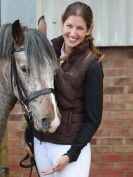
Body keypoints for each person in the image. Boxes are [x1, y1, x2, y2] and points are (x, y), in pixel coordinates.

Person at [33, 2, 104, 177]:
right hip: (41, 144)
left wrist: (71, 155)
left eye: (80, 28)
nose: (73, 33)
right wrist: (30, 137)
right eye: (69, 26)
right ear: (62, 23)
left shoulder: (92, 65)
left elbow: (93, 120)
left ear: (88, 30)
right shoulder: (47, 52)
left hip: (68, 147)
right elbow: (38, 95)